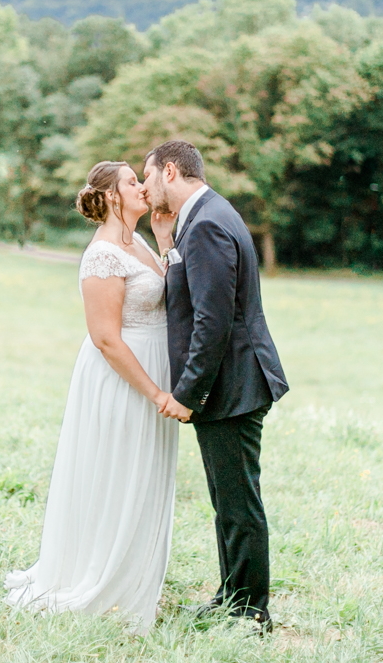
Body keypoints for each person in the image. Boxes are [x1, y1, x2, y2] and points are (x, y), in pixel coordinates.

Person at [4, 160, 181, 633]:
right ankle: (102, 579)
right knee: (117, 472)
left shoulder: (138, 242)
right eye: (131, 181)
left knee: (142, 475)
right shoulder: (102, 255)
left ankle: (134, 575)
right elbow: (105, 338)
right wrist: (155, 393)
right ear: (111, 196)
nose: (143, 186)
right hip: (123, 379)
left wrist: (165, 242)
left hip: (152, 369)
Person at [142, 139, 289, 633]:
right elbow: (195, 294)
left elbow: (212, 320)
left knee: (239, 503)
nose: (144, 190)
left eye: (146, 178)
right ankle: (232, 597)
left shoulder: (206, 222)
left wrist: (187, 393)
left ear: (169, 171)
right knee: (227, 501)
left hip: (232, 386)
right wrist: (166, 245)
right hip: (231, 385)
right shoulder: (204, 217)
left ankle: (252, 612)